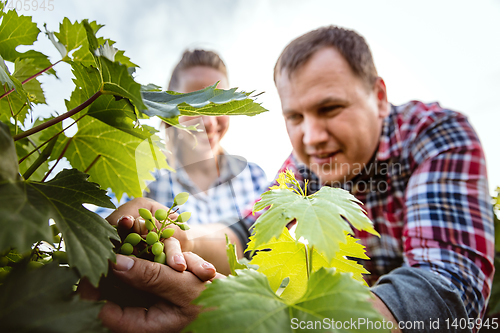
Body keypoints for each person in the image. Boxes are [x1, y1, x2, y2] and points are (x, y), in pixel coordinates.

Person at [95, 26, 495, 332]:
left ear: (378, 95)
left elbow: (447, 286)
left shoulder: (436, 136)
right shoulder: (303, 168)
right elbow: (247, 234)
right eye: (295, 117)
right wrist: (182, 238)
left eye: (330, 108)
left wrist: (260, 322)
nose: (312, 137)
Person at [96, 49, 269, 228]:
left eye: (221, 104)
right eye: (193, 104)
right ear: (169, 108)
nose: (209, 122)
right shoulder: (143, 169)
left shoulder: (253, 177)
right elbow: (100, 226)